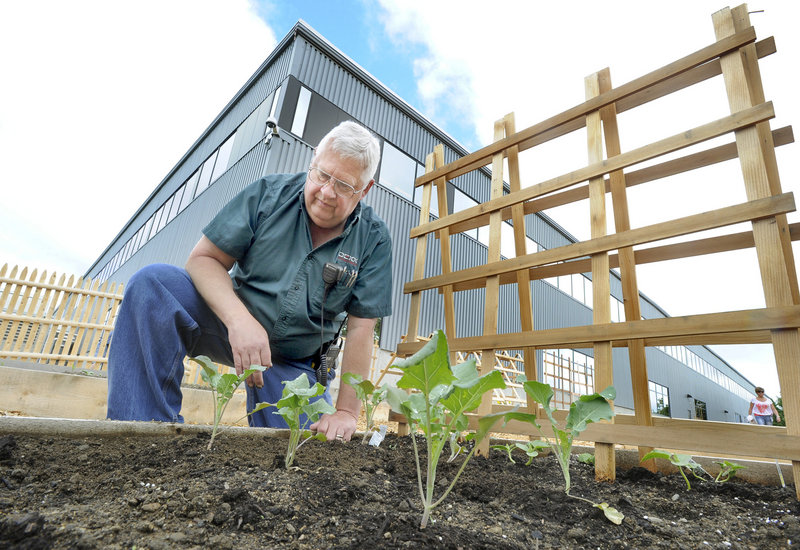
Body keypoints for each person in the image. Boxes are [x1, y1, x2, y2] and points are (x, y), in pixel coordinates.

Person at [106, 121, 392, 442]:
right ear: (313, 159)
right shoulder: (269, 195)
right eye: (322, 175)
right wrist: (239, 320)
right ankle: (141, 434)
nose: (326, 192)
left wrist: (346, 413)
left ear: (365, 190)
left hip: (295, 364)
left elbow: (361, 329)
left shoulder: (374, 239)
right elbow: (204, 260)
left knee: (306, 450)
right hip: (230, 328)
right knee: (153, 286)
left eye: (343, 185)